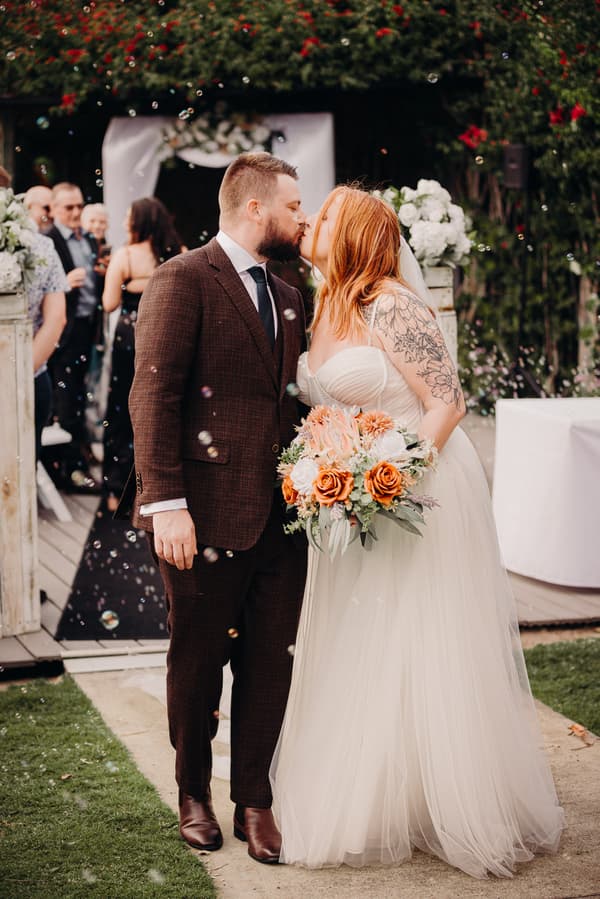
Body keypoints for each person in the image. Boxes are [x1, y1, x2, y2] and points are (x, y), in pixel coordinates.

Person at [270, 186, 564, 878]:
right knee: (367, 637)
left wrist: (389, 478)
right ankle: (383, 795)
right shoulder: (325, 302)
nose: (309, 221)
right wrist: (327, 463)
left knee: (421, 635)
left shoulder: (393, 304)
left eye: (326, 216)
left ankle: (453, 796)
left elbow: (447, 402)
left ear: (355, 235)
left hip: (419, 491)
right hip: (354, 502)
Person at [127, 153, 309, 863]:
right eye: (294, 205)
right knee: (199, 662)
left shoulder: (290, 293)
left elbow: (287, 403)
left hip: (284, 517)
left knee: (270, 663)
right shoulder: (183, 278)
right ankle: (193, 793)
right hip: (198, 516)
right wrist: (166, 502)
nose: (302, 218)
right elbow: (154, 394)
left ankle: (254, 800)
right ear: (255, 208)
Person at [102, 197, 184, 511]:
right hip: (167, 334)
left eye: (129, 217)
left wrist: (130, 284)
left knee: (122, 409)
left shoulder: (124, 256)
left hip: (131, 337)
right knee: (163, 407)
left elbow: (109, 303)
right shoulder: (179, 253)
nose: (125, 223)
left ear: (140, 221)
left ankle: (116, 489)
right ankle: (159, 486)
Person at [46, 182, 104, 490]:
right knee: (66, 401)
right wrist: (65, 283)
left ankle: (77, 461)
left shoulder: (89, 239)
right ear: (54, 209)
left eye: (79, 206)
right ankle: (69, 471)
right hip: (63, 330)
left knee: (81, 397)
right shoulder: (48, 240)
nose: (76, 212)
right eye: (69, 207)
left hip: (88, 328)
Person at [21, 192, 69, 458]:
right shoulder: (42, 247)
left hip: (30, 377)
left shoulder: (42, 246)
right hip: (31, 375)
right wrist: (19, 373)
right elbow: (56, 318)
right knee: (24, 465)